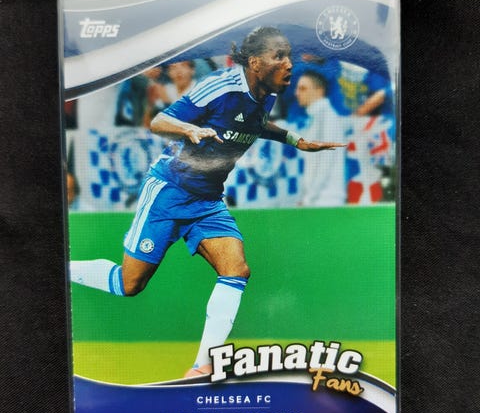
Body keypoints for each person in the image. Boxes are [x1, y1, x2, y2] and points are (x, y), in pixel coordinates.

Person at [70, 27, 345, 378]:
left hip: (208, 201)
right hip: (169, 191)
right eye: (279, 56)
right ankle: (62, 270)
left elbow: (256, 124)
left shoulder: (267, 95)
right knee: (129, 284)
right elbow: (159, 121)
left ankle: (201, 366)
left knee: (236, 269)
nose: (289, 63)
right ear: (255, 63)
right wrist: (189, 129)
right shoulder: (220, 86)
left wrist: (295, 140)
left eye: (289, 55)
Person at [294, 70, 346, 207]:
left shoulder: (328, 117)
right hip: (316, 199)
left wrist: (309, 198)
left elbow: (326, 161)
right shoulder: (316, 117)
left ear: (319, 91)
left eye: (303, 88)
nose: (297, 93)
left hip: (326, 199)